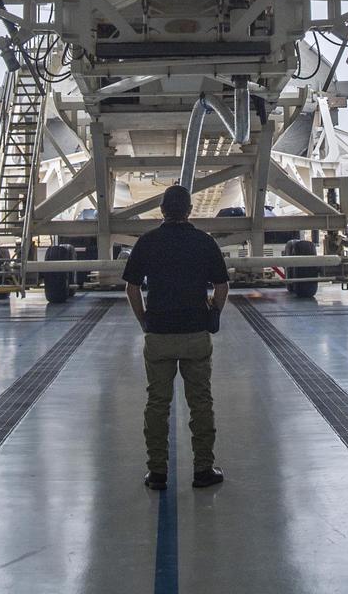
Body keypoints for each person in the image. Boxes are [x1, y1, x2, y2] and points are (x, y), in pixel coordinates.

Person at [123, 185, 229, 491]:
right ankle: (203, 470)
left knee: (157, 404)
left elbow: (131, 287)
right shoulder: (204, 242)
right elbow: (221, 286)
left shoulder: (148, 242)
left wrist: (144, 318)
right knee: (201, 403)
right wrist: (213, 313)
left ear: (162, 210)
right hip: (195, 333)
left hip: (159, 334)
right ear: (190, 210)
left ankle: (157, 472)